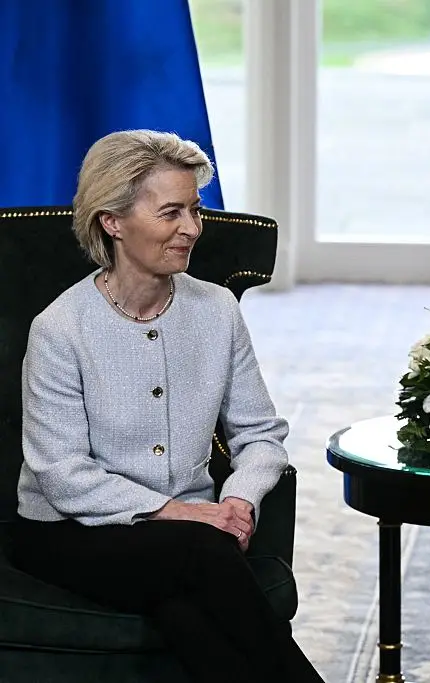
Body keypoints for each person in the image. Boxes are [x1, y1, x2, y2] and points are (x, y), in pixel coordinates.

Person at [10, 129, 325, 683]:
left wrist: (240, 502)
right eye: (170, 213)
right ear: (112, 221)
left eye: (196, 211)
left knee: (188, 613)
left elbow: (260, 434)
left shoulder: (216, 310)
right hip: (67, 533)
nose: (192, 230)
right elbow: (62, 476)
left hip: (188, 539)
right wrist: (186, 514)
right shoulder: (61, 329)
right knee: (202, 556)